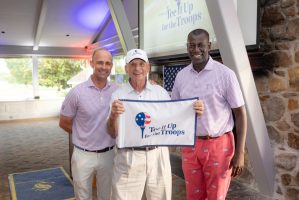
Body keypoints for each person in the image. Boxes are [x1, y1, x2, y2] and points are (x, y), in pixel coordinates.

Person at [107, 48, 204, 200]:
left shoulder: (160, 92)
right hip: (129, 156)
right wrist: (113, 116)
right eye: (132, 64)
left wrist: (192, 111)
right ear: (126, 68)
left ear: (148, 67)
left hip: (158, 155)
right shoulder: (118, 96)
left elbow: (173, 118)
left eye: (141, 64)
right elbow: (112, 133)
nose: (137, 68)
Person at [171, 29, 247, 200]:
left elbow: (241, 114)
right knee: (193, 196)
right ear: (187, 47)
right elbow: (174, 110)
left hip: (219, 146)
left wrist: (240, 153)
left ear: (209, 46)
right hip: (190, 145)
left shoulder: (226, 74)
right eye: (192, 45)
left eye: (200, 45)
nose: (196, 49)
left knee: (216, 196)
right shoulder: (181, 76)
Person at [59, 48, 118, 200]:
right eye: (100, 63)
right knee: (82, 196)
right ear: (91, 63)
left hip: (109, 154)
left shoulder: (118, 91)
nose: (104, 67)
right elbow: (64, 122)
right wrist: (83, 132)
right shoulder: (77, 92)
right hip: (83, 155)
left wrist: (149, 81)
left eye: (107, 63)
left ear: (111, 66)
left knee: (107, 196)